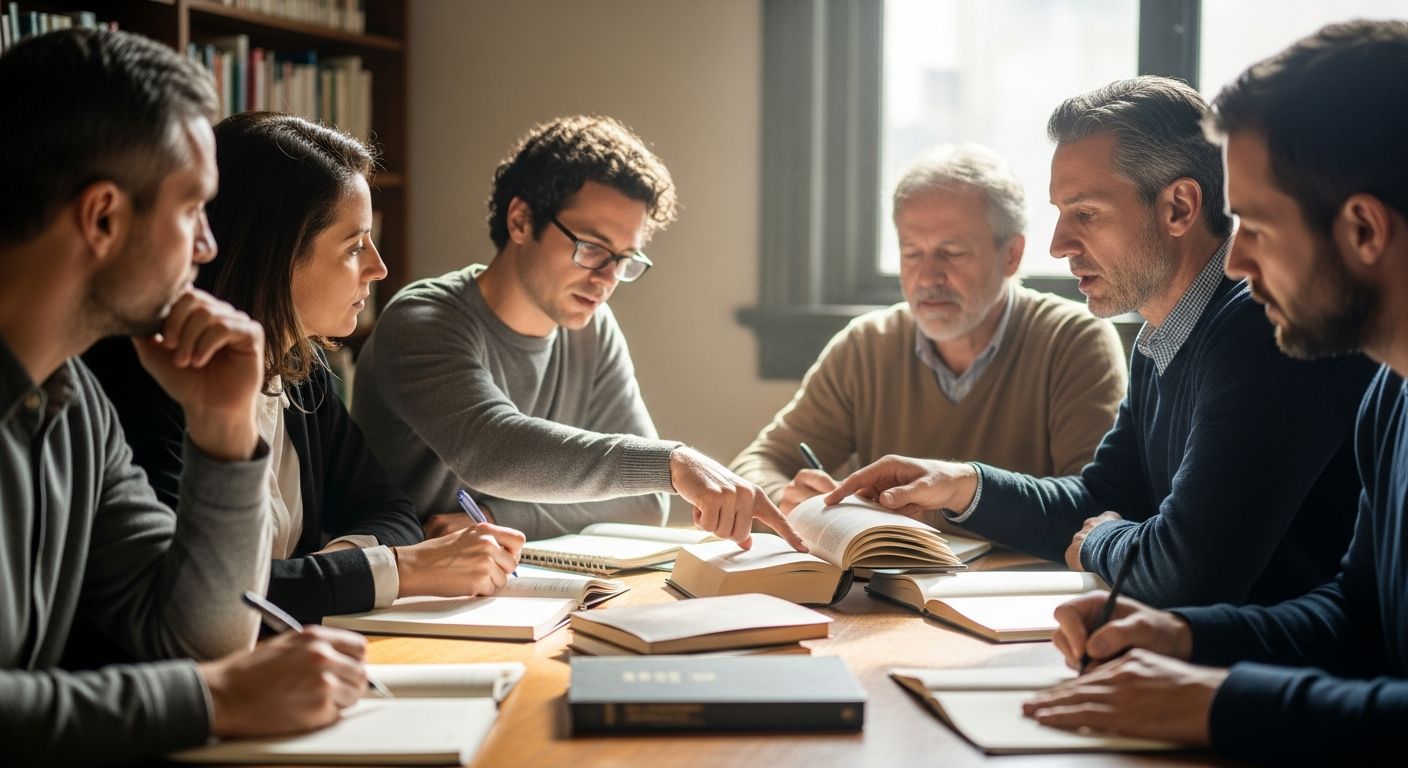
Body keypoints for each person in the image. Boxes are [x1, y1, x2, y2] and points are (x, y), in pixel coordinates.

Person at [827, 77, 1377, 608]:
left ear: (1180, 208)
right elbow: (1102, 502)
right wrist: (960, 483)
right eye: (1060, 214)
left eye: (1085, 214)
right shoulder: (1159, 339)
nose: (1060, 244)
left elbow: (1186, 572)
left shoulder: (1259, 329)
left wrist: (1098, 542)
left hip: (1266, 676)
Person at [1024, 22, 1408, 763]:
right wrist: (1187, 637)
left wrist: (1222, 700)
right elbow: (1355, 619)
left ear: (1363, 228)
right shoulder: (1390, 395)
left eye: (1257, 224)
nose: (1232, 258)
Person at [0, 29, 368, 764]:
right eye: (193, 208)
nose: (207, 245)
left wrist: (223, 427)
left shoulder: (75, 405)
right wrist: (216, 698)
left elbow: (199, 635)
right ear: (103, 217)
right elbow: (210, 671)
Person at [83, 111, 524, 627]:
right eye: (355, 245)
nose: (378, 267)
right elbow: (207, 598)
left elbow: (391, 510)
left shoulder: (300, 368)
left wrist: (325, 578)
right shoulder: (145, 384)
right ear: (275, 254)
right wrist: (392, 571)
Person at [352, 116, 804, 550]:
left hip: (504, 583)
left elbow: (644, 504)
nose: (607, 279)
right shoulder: (422, 321)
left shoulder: (593, 330)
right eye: (592, 248)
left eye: (625, 259)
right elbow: (491, 450)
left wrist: (494, 518)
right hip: (391, 592)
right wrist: (670, 462)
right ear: (521, 221)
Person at [730, 143, 1126, 528]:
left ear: (1011, 255)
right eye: (911, 253)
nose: (927, 277)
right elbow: (756, 464)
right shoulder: (867, 346)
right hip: (885, 586)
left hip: (1010, 589)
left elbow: (1099, 506)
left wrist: (954, 498)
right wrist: (788, 498)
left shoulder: (1074, 342)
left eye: (951, 252)